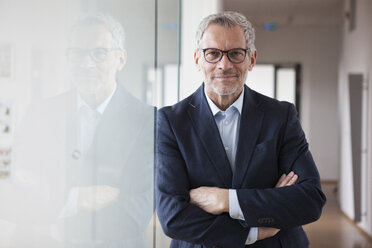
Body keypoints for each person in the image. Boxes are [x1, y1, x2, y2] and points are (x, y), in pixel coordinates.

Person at [156, 11, 326, 248]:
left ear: (251, 59)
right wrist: (254, 231)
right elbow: (172, 218)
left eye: (236, 53)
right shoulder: (171, 122)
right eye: (213, 54)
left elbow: (310, 200)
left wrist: (228, 200)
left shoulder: (281, 116)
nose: (224, 65)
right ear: (197, 59)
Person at [1, 13, 154, 248]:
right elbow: (10, 200)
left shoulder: (149, 121)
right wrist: (75, 199)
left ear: (121, 59)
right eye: (77, 53)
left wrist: (48, 206)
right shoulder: (40, 114)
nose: (86, 64)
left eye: (99, 53)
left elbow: (134, 215)